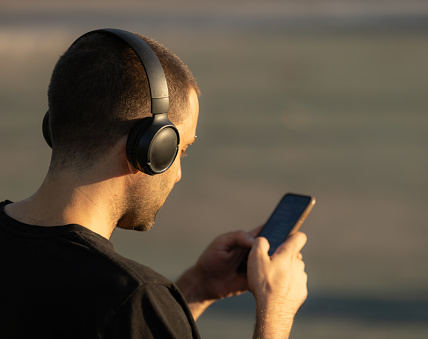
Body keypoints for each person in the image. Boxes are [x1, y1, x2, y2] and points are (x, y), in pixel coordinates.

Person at [0, 29, 308, 338]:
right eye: (180, 150)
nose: (178, 173)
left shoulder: (128, 302)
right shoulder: (132, 296)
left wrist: (197, 287)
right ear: (150, 149)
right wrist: (275, 312)